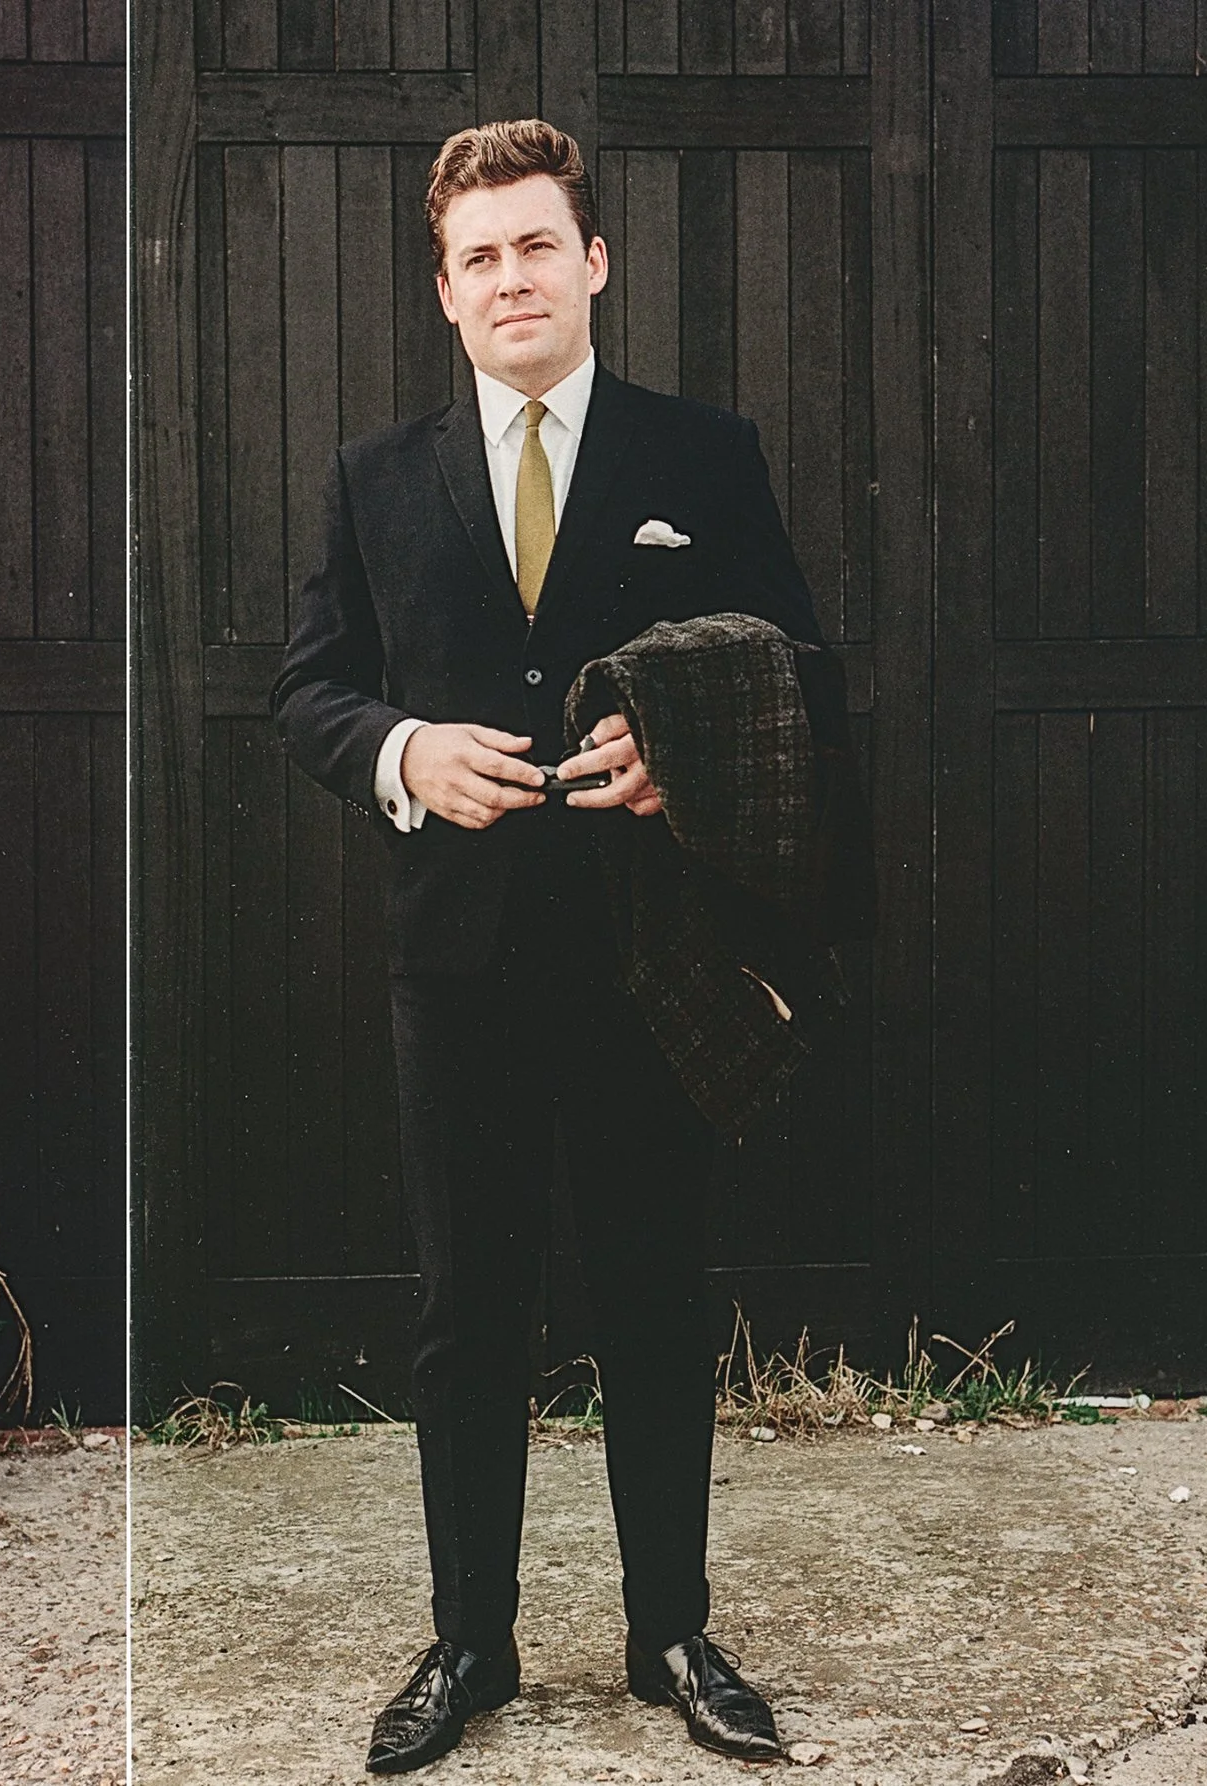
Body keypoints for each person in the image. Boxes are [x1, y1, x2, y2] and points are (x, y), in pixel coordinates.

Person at [270, 117, 841, 1772]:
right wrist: (403, 750)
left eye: (537, 245)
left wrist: (691, 758)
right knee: (467, 1309)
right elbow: (307, 689)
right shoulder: (375, 478)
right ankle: (472, 1641)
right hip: (458, 963)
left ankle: (672, 1632)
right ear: (444, 292)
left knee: (656, 1295)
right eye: (479, 256)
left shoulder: (703, 455)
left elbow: (801, 666)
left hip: (651, 955)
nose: (510, 277)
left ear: (593, 263)